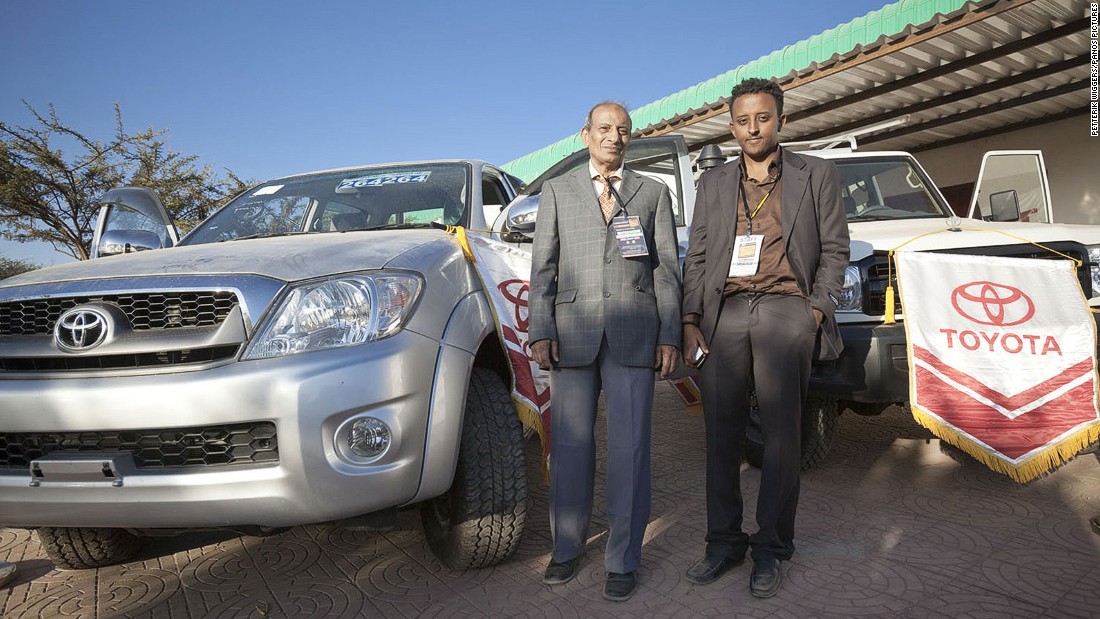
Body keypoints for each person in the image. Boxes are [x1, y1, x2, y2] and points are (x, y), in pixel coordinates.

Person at [680, 77, 850, 598]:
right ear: (731, 126)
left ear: (780, 120)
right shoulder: (713, 184)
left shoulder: (815, 174)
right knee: (721, 436)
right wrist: (690, 321)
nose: (753, 128)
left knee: (780, 438)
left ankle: (772, 547)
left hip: (785, 310)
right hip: (724, 313)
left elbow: (835, 250)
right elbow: (700, 256)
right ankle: (724, 542)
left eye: (763, 117)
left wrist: (815, 312)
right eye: (743, 120)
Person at [529, 101, 682, 602]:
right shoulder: (558, 191)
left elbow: (665, 271)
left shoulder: (653, 193)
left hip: (635, 333)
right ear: (585, 135)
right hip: (572, 333)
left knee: (631, 448)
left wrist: (669, 335)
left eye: (622, 130)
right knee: (570, 447)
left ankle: (623, 558)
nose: (613, 137)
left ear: (630, 138)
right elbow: (544, 269)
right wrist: (540, 329)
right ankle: (566, 548)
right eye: (604, 129)